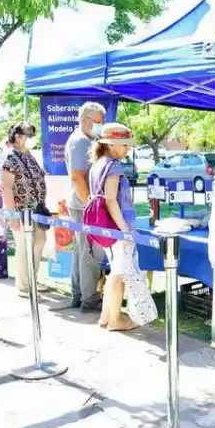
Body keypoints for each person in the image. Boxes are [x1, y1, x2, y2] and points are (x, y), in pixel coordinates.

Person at [90, 123, 157, 331]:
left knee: (115, 272)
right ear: (111, 145)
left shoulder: (97, 165)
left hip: (106, 228)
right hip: (118, 228)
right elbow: (111, 200)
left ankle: (106, 317)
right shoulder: (114, 167)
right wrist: (125, 231)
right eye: (125, 144)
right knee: (119, 274)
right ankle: (115, 319)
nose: (128, 149)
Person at [64, 102, 107, 312]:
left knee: (81, 250)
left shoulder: (84, 139)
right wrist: (91, 205)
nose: (100, 126)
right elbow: (77, 177)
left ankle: (79, 294)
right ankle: (89, 299)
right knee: (90, 252)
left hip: (80, 204)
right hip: (84, 205)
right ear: (84, 119)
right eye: (98, 122)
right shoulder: (81, 141)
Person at [1, 122, 50, 298]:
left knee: (39, 242)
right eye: (29, 135)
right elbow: (6, 187)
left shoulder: (30, 156)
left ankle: (32, 280)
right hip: (21, 211)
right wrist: (12, 215)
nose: (32, 138)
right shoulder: (10, 158)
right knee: (24, 247)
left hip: (37, 210)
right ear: (19, 137)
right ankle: (23, 286)